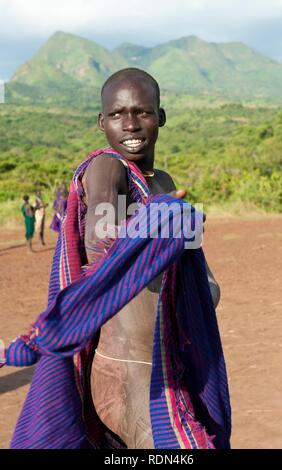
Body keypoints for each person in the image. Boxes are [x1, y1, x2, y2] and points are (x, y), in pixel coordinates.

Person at [3, 68, 230, 450]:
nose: (130, 125)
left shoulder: (164, 182)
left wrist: (180, 232)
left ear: (161, 116)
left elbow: (192, 269)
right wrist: (160, 226)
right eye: (116, 114)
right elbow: (100, 233)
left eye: (141, 112)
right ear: (101, 121)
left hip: (165, 364)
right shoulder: (107, 167)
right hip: (126, 377)